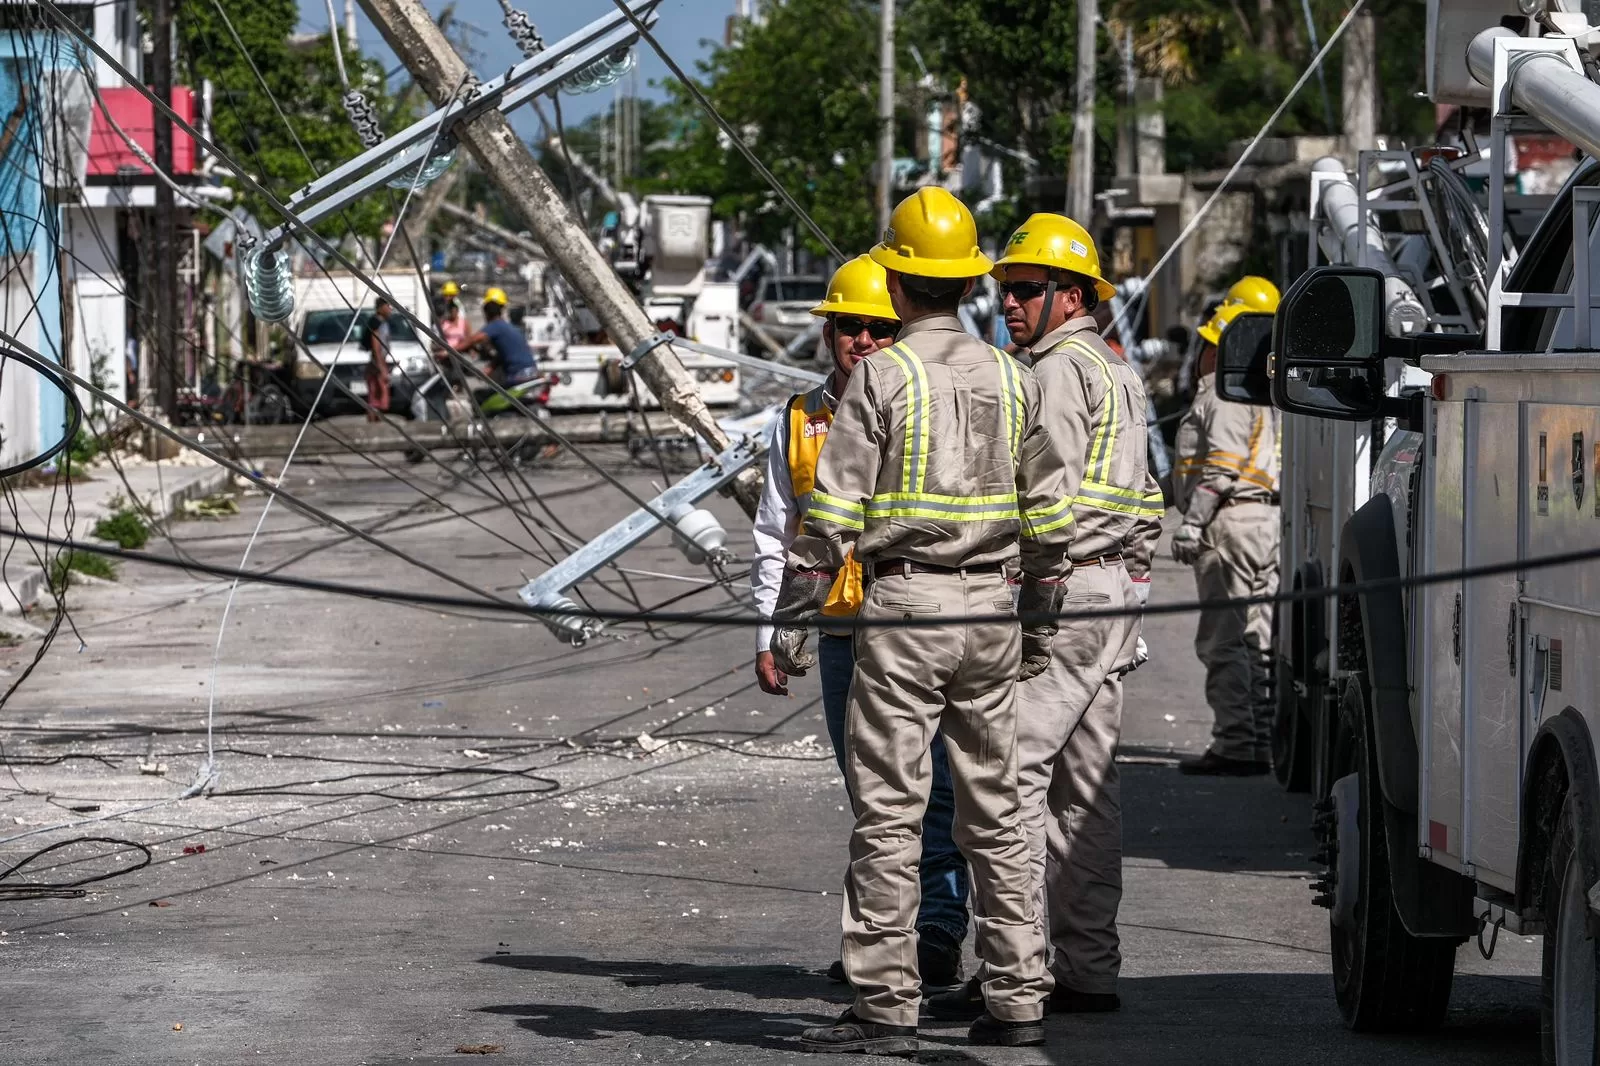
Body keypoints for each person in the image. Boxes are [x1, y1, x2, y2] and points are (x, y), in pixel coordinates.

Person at [772, 187, 1075, 1055]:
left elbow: (827, 523)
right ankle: (1018, 998)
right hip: (993, 610)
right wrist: (1038, 622)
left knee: (891, 813)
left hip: (903, 610)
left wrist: (791, 626)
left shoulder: (880, 375)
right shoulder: (1017, 380)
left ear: (898, 282)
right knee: (998, 814)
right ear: (972, 282)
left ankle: (886, 1006)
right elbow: (1050, 520)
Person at [929, 213, 1164, 1023]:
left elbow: (1047, 504)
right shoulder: (1118, 370)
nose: (1008, 305)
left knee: (1007, 781)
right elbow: (1146, 502)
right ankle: (1089, 967)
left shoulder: (1058, 373)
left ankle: (1013, 970)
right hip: (1110, 600)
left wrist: (1020, 589)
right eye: (1003, 290)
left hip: (1060, 598)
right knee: (1086, 793)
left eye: (1026, 290)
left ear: (1071, 297)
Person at [750, 254, 969, 990]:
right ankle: (884, 936)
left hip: (910, 624)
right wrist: (771, 633)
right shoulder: (799, 420)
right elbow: (776, 532)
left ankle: (936, 927)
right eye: (852, 327)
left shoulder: (921, 401)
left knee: (932, 784)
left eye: (881, 327)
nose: (865, 341)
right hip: (842, 628)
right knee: (871, 791)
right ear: (831, 334)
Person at [1172, 297, 1282, 775]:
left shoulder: (1221, 395)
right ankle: (1259, 740)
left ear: (1216, 351)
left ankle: (1237, 742)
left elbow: (1220, 468)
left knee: (1225, 641)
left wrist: (1193, 523)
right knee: (1255, 638)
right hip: (1264, 522)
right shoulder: (1262, 394)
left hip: (1230, 523)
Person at [461, 287, 539, 387]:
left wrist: (448, 350)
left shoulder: (496, 326)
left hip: (517, 375)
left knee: (483, 397)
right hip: (530, 372)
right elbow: (503, 355)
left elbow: (472, 340)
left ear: (486, 310)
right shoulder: (509, 327)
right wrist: (490, 367)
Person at [365, 296, 393, 422]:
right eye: (388, 306)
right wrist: (381, 366)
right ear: (381, 308)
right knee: (377, 392)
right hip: (377, 361)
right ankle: (374, 421)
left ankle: (377, 419)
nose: (390, 309)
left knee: (378, 392)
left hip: (381, 360)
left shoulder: (383, 322)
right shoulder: (376, 323)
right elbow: (376, 346)